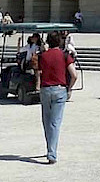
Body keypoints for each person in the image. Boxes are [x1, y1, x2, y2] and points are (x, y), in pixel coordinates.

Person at [33, 32, 78, 163]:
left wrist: (38, 85)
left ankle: (49, 148)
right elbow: (74, 75)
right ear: (59, 42)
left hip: (45, 90)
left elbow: (38, 72)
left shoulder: (42, 56)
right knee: (55, 122)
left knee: (47, 121)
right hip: (60, 90)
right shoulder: (65, 55)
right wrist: (69, 88)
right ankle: (52, 153)